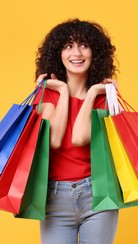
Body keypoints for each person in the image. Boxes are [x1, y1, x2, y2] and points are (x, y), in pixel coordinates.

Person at [33, 19, 119, 244]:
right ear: (58, 54)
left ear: (94, 52)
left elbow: (80, 137)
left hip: (98, 194)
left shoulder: (103, 96)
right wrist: (62, 91)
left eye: (83, 45)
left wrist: (91, 94)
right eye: (68, 46)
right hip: (55, 197)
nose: (77, 53)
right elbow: (54, 140)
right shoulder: (48, 94)